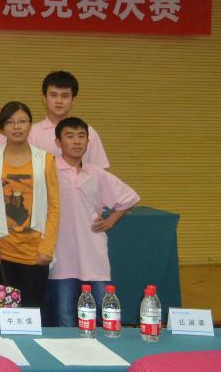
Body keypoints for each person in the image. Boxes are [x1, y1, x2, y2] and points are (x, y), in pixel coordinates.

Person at [48, 117, 139, 326]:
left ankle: (110, 345)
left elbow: (128, 198)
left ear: (88, 142)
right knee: (64, 316)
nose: (76, 141)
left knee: (105, 311)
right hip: (60, 256)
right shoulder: (48, 171)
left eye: (81, 136)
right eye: (70, 136)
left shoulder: (96, 173)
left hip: (93, 253)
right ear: (58, 142)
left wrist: (111, 221)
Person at [0, 101, 60, 310]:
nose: (17, 127)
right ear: (2, 127)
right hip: (1, 253)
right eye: (10, 122)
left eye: (22, 121)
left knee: (31, 315)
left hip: (35, 254)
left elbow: (54, 206)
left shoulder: (46, 160)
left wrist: (47, 248)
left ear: (30, 125)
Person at [29, 71, 109, 168]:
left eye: (65, 96)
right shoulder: (31, 133)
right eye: (53, 95)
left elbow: (101, 171)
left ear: (73, 100)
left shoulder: (87, 132)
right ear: (44, 98)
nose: (59, 101)